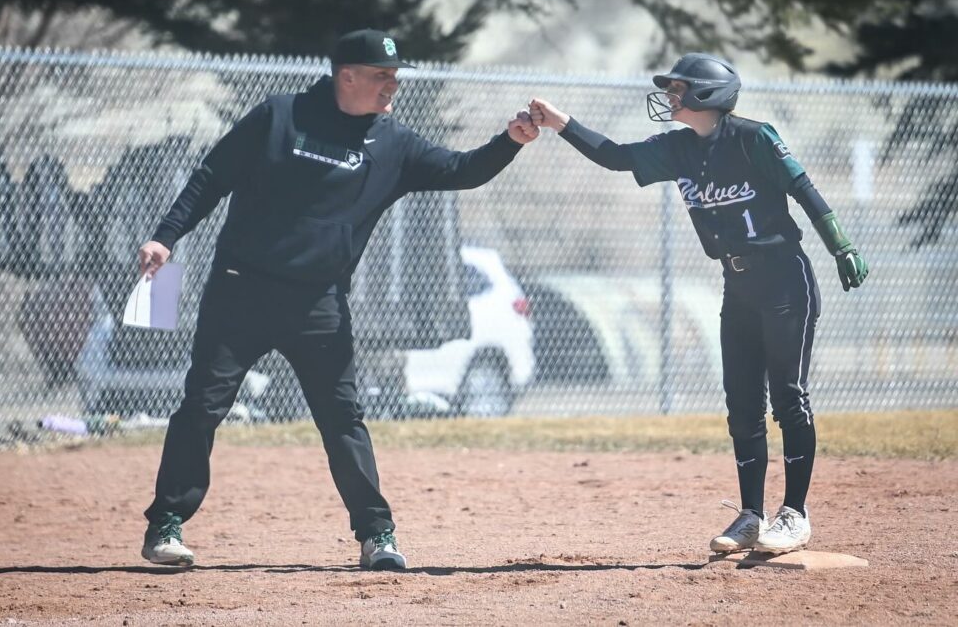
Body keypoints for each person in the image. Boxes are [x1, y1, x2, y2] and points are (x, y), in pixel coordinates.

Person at [137, 28, 540, 569]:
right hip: (242, 290)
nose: (391, 87)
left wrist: (510, 139)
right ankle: (166, 522)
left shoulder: (392, 144)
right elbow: (212, 177)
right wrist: (166, 235)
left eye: (395, 77)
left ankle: (378, 536)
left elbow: (462, 172)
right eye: (381, 76)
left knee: (343, 418)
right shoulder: (278, 117)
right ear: (345, 75)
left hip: (318, 303)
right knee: (202, 407)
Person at [528, 53, 868, 555]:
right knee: (742, 404)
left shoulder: (755, 137)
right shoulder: (677, 149)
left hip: (784, 281)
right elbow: (616, 156)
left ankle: (794, 513)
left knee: (788, 399)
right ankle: (752, 515)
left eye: (679, 89)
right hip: (738, 286)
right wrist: (561, 123)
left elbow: (803, 188)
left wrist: (841, 244)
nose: (670, 97)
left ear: (707, 94)